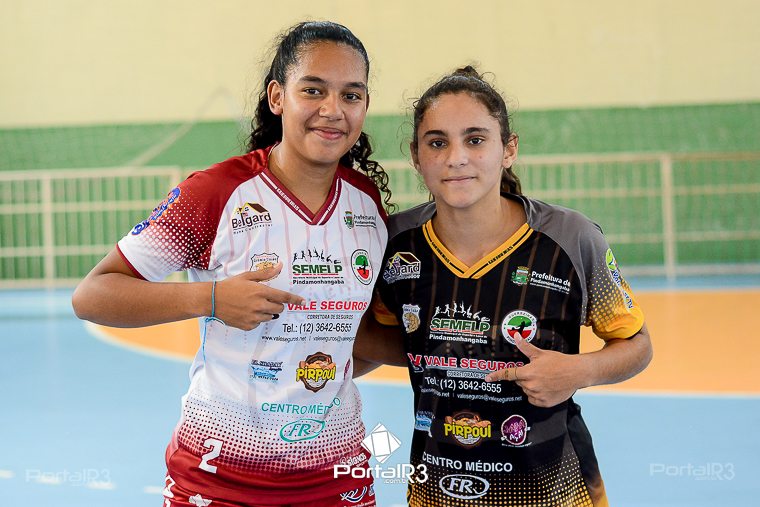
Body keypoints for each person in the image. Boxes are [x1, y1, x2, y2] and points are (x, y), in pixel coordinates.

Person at [73, 21, 392, 507]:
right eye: (313, 90)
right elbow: (92, 295)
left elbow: (359, 339)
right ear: (277, 96)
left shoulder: (366, 205)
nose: (333, 110)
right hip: (217, 477)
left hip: (336, 476)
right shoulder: (217, 193)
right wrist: (212, 299)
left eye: (351, 95)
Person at [354, 66, 653, 506]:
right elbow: (384, 339)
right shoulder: (396, 244)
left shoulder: (569, 239)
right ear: (416, 156)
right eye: (437, 142)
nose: (456, 157)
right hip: (437, 491)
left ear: (508, 149)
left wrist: (579, 371)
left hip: (558, 490)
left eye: (475, 140)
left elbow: (638, 345)